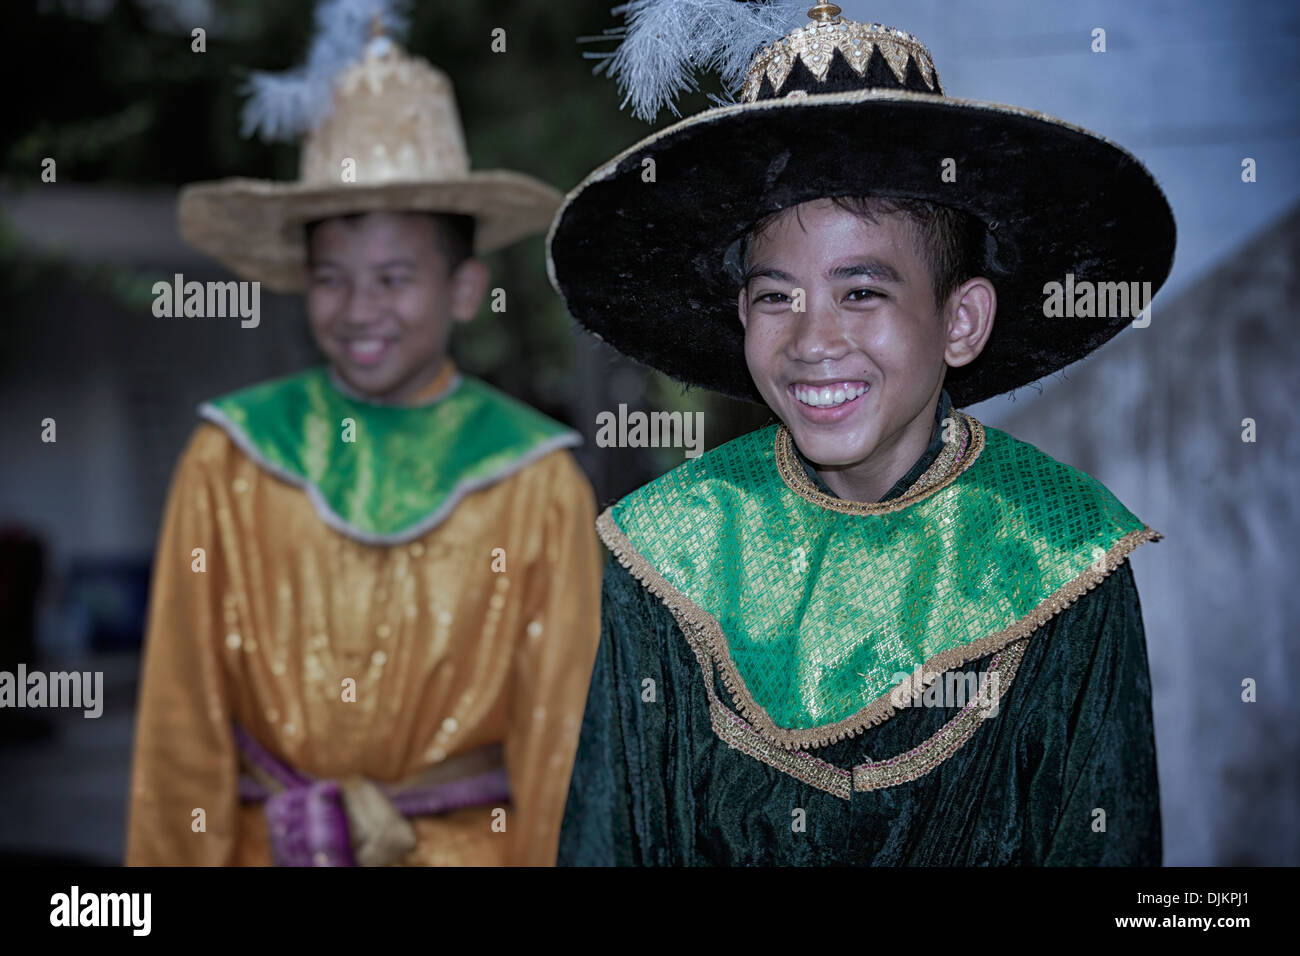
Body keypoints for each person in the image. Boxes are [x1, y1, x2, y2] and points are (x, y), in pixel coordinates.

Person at [548, 1, 1174, 865]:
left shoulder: (1064, 555)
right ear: (742, 314)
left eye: (863, 292)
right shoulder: (672, 551)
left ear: (962, 321)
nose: (812, 340)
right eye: (777, 296)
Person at [126, 9, 601, 866]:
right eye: (331, 280)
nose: (359, 310)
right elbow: (181, 715)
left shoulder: (536, 481)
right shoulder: (231, 457)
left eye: (394, 278)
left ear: (464, 289)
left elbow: (560, 739)